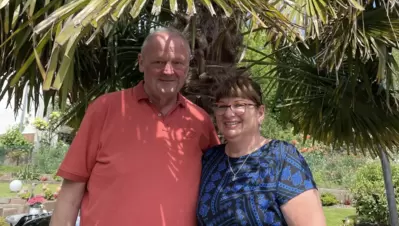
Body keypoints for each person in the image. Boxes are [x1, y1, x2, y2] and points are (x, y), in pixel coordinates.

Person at [50, 28, 220, 226]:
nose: (168, 70)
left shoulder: (200, 121)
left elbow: (215, 189)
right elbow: (71, 193)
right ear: (141, 62)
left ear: (187, 67)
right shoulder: (105, 109)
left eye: (178, 63)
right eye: (158, 62)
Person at [197, 75, 327, 226]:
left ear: (260, 113)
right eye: (222, 106)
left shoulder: (281, 157)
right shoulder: (211, 159)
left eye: (239, 104)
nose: (228, 113)